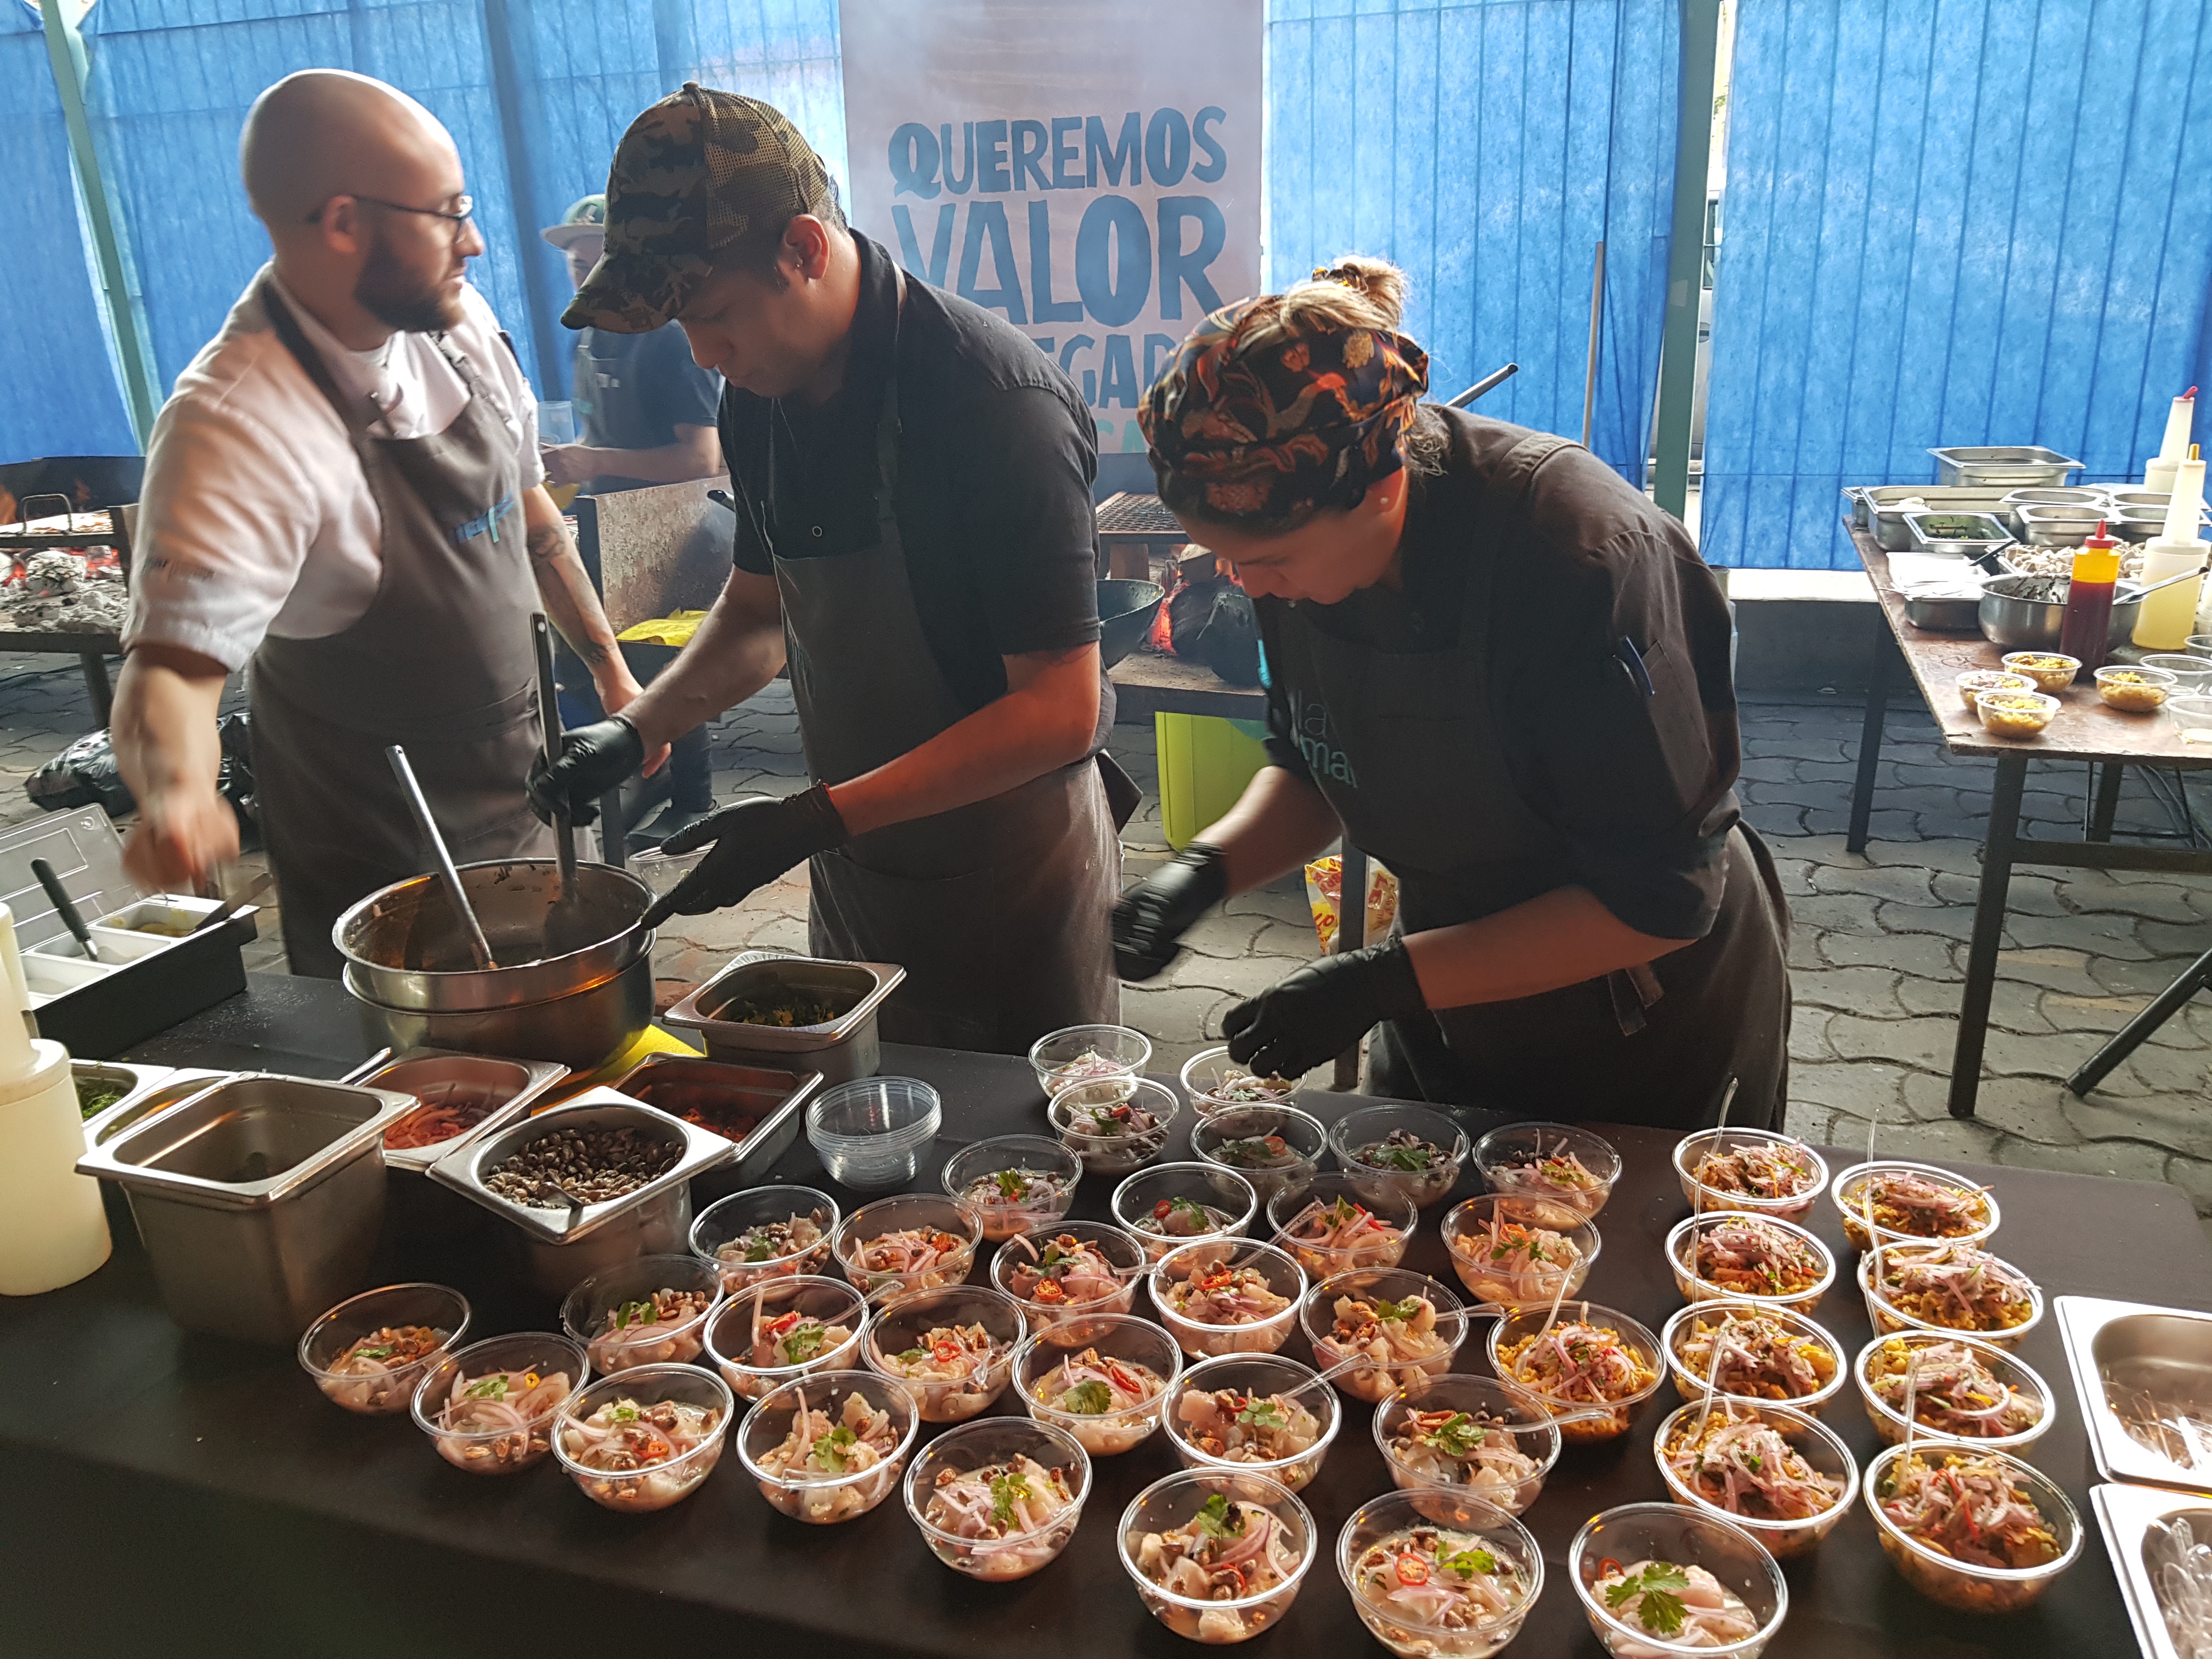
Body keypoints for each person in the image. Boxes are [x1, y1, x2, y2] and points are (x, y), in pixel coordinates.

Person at [1113, 258, 1791, 1131]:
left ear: (1381, 488)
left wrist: (1382, 979)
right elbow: (1315, 761)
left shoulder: (1576, 560)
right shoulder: (1297, 554)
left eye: (1269, 561)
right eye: (1229, 560)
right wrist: (1203, 872)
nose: (1253, 587)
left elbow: (1660, 901)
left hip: (1641, 1015)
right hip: (1451, 987)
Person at [532, 84, 1130, 1053]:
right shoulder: (758, 391)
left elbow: (1061, 707)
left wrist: (818, 816)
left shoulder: (991, 405)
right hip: (858, 866)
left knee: (1016, 1134)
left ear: (804, 250)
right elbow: (756, 617)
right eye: (683, 326)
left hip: (1011, 878)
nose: (705, 353)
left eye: (715, 314)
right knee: (860, 1111)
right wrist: (636, 726)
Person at [113, 70, 639, 976]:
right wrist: (179, 796)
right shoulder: (236, 423)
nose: (474, 240)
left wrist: (611, 669)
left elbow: (529, 514)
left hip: (531, 803)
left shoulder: (451, 321)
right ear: (344, 221)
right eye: (448, 214)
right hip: (384, 870)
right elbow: (170, 671)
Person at [539, 192, 723, 844]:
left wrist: (593, 461)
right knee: (586, 660)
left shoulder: (670, 340)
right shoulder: (590, 335)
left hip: (665, 526)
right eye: (575, 264)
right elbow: (598, 432)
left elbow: (702, 458)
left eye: (597, 262)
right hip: (603, 521)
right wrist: (569, 466)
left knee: (658, 660)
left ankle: (694, 797)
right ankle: (646, 775)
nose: (585, 277)